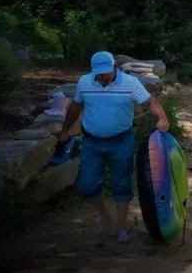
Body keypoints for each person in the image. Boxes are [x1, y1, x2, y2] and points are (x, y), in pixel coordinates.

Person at [58, 51, 170, 244]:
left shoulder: (130, 83)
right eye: (99, 72)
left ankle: (120, 228)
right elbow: (75, 107)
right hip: (92, 142)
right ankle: (105, 216)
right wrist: (64, 130)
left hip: (121, 141)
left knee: (121, 184)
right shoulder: (85, 82)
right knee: (86, 185)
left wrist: (162, 118)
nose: (102, 76)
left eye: (106, 72)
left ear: (114, 67)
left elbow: (150, 101)